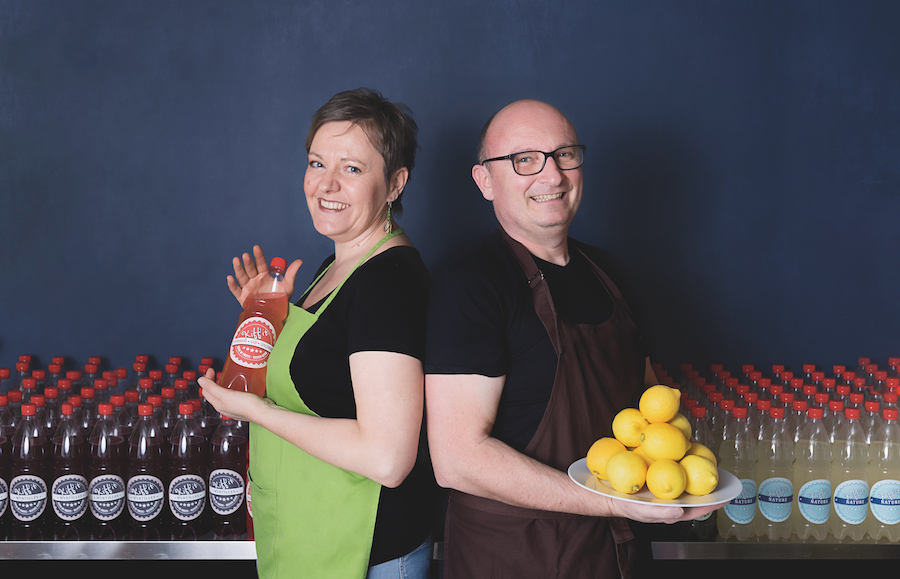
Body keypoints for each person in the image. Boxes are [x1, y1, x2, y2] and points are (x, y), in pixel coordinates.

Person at [424, 99, 726, 578]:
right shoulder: (472, 283)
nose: (552, 176)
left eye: (565, 154)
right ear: (485, 180)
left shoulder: (610, 274)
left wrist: (683, 481)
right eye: (524, 160)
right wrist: (609, 504)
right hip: (514, 557)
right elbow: (458, 460)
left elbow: (652, 407)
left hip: (615, 555)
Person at [199, 88, 437, 579]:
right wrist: (261, 318)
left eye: (352, 168)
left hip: (362, 552)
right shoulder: (337, 265)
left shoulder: (386, 284)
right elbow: (325, 379)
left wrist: (256, 412)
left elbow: (387, 457)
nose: (326, 184)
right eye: (315, 163)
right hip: (311, 535)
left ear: (395, 183)